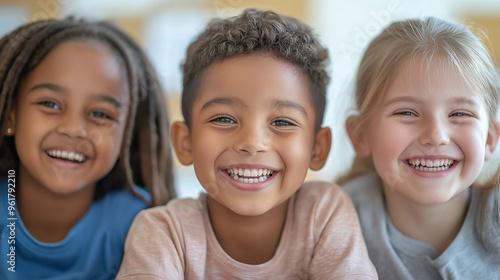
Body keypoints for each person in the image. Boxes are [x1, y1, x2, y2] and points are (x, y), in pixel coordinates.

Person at [117, 9, 377, 279]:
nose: (252, 143)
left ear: (317, 148)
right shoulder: (162, 232)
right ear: (185, 143)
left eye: (282, 122)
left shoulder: (324, 213)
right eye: (224, 118)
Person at [0, 18, 175, 279]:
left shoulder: (141, 224)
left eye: (100, 114)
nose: (73, 129)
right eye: (50, 104)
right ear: (11, 115)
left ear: (126, 134)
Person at [340, 17, 500, 279]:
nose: (436, 135)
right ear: (361, 135)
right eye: (406, 112)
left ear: (490, 139)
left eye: (460, 113)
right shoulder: (334, 220)